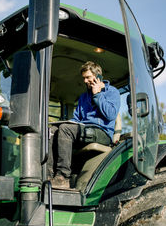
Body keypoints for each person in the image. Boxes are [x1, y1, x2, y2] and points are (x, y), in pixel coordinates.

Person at [48, 61, 120, 189]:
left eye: (88, 77)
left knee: (65, 129)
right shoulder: (83, 97)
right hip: (84, 130)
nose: (85, 81)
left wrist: (97, 94)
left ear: (98, 76)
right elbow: (76, 119)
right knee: (52, 130)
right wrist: (69, 122)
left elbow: (110, 115)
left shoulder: (112, 92)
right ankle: (49, 176)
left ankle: (63, 177)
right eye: (84, 78)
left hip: (101, 132)